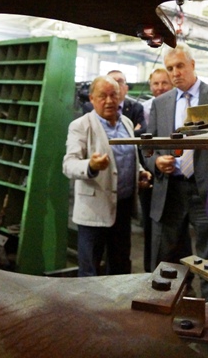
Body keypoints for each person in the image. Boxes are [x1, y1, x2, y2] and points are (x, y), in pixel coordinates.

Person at [147, 43, 208, 277]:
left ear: (192, 64)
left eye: (180, 66)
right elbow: (148, 147)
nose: (175, 73)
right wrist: (156, 162)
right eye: (170, 68)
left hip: (205, 189)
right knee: (169, 255)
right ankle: (177, 296)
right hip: (171, 190)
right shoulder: (160, 103)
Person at [62, 75, 151, 277]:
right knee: (90, 269)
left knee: (120, 265)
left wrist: (139, 172)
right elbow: (69, 165)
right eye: (103, 96)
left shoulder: (127, 123)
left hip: (123, 208)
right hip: (94, 210)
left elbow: (129, 156)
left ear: (120, 97)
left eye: (114, 95)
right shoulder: (80, 126)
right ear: (92, 98)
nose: (109, 101)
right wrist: (91, 165)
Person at [139, 68, 173, 272]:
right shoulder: (143, 108)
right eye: (156, 84)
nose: (160, 88)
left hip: (173, 175)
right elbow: (145, 145)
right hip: (150, 175)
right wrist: (152, 164)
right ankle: (150, 270)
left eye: (164, 83)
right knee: (151, 227)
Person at [107, 70, 147, 137]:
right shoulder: (94, 108)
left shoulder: (136, 109)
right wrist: (130, 133)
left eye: (120, 82)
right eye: (112, 82)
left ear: (126, 89)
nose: (116, 85)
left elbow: (142, 132)